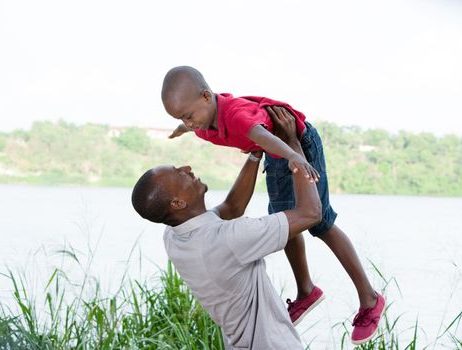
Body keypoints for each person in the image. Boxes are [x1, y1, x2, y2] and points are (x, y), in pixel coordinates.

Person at [161, 66, 386, 345]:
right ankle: (307, 291)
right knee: (284, 220)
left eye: (189, 116)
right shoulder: (203, 124)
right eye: (182, 118)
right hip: (278, 151)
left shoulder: (234, 114)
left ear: (206, 97)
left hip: (297, 142)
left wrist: (295, 155)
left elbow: (261, 134)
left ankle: (370, 298)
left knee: (321, 223)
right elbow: (255, 140)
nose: (190, 123)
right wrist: (181, 128)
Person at [132, 106, 322, 349]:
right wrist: (294, 145)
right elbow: (311, 213)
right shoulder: (226, 240)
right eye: (179, 174)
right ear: (178, 203)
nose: (187, 168)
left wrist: (256, 152)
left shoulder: (175, 236)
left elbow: (232, 207)